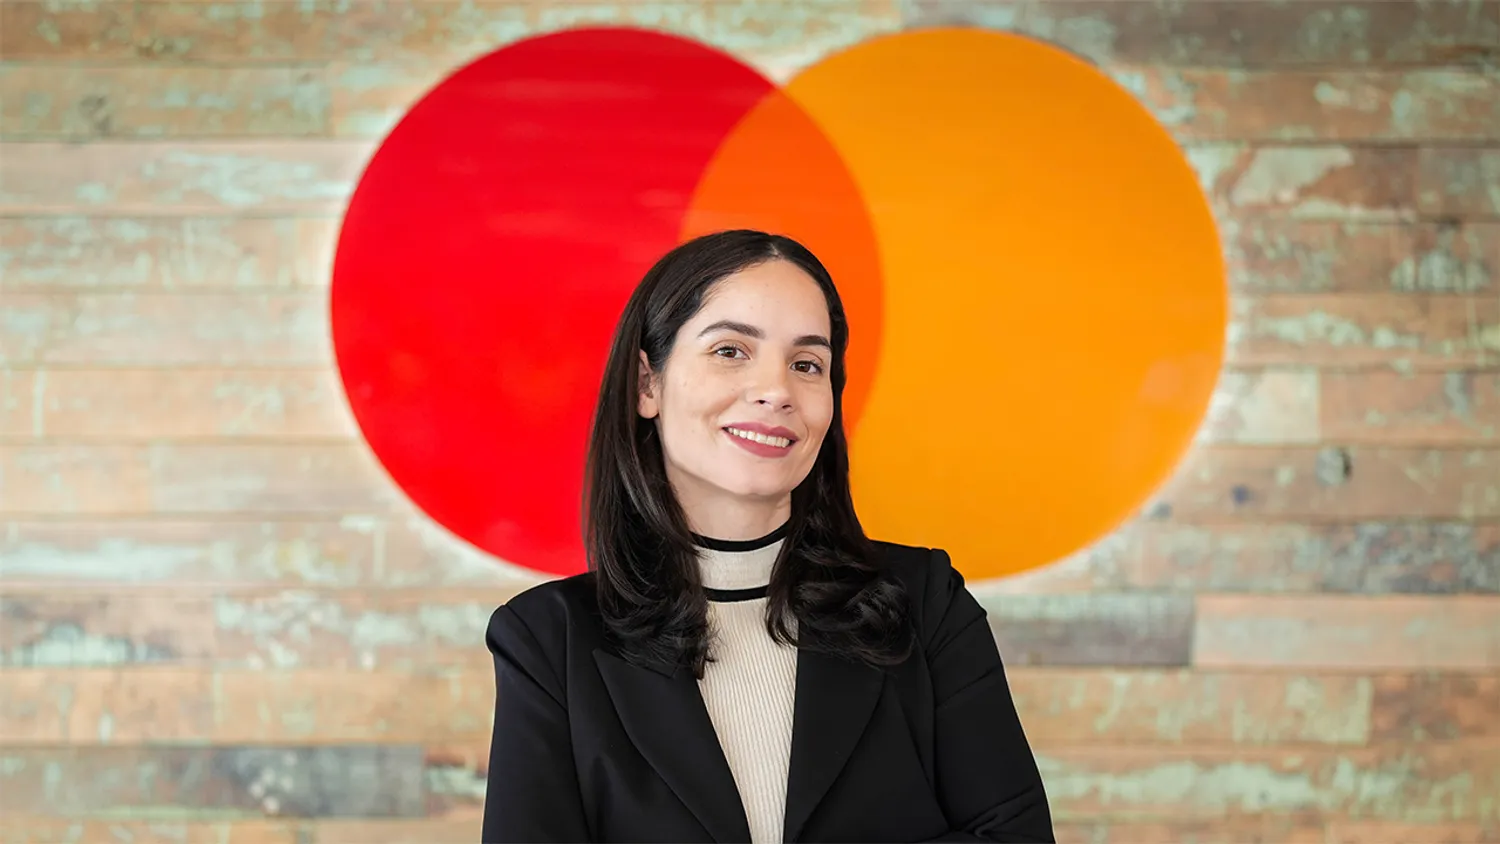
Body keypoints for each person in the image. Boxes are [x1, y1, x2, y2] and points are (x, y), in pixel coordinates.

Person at [481, 229, 1053, 843]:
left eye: (807, 364)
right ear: (647, 384)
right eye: (730, 351)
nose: (777, 391)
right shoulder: (548, 641)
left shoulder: (926, 603)